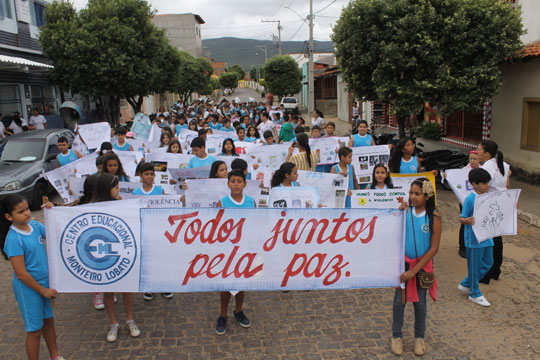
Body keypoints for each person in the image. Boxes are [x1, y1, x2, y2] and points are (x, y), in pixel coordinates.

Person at [1, 195, 65, 360]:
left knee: (49, 323)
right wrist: (43, 291)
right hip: (30, 290)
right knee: (34, 330)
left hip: (44, 285)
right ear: (9, 217)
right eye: (20, 211)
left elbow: (55, 232)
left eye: (27, 208)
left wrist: (52, 212)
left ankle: (55, 355)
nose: (27, 213)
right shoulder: (14, 239)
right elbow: (21, 274)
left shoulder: (35, 226)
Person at [392, 179, 440, 357]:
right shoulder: (406, 212)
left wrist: (414, 271)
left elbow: (434, 248)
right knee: (399, 301)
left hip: (422, 267)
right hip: (404, 264)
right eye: (411, 193)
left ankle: (419, 337)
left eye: (417, 193)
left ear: (427, 196)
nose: (413, 197)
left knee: (420, 303)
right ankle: (396, 336)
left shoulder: (433, 216)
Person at [95, 174, 141, 342]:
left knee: (126, 288)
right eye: (115, 187)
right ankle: (114, 323)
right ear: (106, 189)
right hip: (104, 255)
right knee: (108, 290)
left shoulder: (122, 203)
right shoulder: (94, 206)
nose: (118, 190)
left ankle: (130, 320)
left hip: (122, 252)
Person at [214, 170, 254, 335]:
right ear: (228, 183)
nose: (236, 184)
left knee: (241, 282)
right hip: (227, 249)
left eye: (239, 181)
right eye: (233, 181)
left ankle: (238, 310)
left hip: (245, 248)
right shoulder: (221, 202)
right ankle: (223, 314)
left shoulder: (251, 201)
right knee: (226, 284)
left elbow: (256, 223)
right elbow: (215, 227)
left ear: (245, 184)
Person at [132, 163, 174, 301]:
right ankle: (148, 286)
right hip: (144, 230)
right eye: (146, 174)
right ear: (140, 176)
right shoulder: (135, 193)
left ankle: (163, 284)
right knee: (147, 259)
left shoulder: (160, 190)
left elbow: (167, 206)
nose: (149, 176)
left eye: (151, 174)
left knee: (161, 258)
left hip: (159, 230)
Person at [458, 168, 494, 307]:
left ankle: (467, 283)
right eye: (484, 183)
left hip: (487, 236)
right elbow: (462, 217)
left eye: (488, 183)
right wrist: (466, 221)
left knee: (488, 262)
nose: (487, 186)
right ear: (474, 184)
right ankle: (474, 293)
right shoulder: (470, 199)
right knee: (474, 266)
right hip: (474, 239)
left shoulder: (487, 196)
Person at [478, 140, 510, 283]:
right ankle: (496, 269)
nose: (477, 152)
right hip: (501, 203)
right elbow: (507, 184)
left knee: (488, 239)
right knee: (497, 239)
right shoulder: (503, 164)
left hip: (490, 204)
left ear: (487, 153)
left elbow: (483, 186)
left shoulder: (488, 167)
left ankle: (487, 272)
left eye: (479, 150)